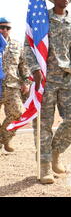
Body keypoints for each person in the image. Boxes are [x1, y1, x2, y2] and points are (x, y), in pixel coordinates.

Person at [25, 0, 71, 184]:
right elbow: (29, 47)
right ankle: (44, 167)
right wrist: (34, 69)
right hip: (45, 78)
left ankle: (55, 153)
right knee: (43, 124)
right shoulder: (43, 20)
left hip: (67, 78)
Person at [0, 18, 30, 152]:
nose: (4, 30)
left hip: (12, 86)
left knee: (18, 113)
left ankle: (5, 138)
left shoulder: (17, 45)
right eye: (1, 27)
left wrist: (26, 82)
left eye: (7, 28)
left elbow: (23, 65)